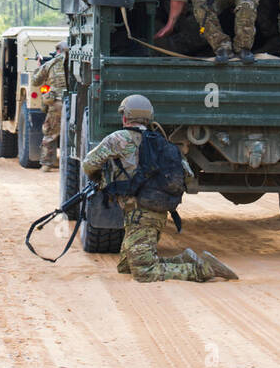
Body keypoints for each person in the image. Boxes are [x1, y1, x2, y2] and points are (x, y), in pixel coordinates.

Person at [80, 94, 238, 282]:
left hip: (140, 215)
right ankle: (183, 259)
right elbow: (187, 174)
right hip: (157, 211)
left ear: (125, 117)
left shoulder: (119, 138)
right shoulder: (162, 142)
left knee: (144, 272)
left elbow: (88, 164)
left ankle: (204, 269)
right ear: (149, 118)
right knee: (126, 266)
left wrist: (100, 179)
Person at [29, 41, 67, 171]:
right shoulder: (76, 61)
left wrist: (39, 66)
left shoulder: (52, 63)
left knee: (50, 133)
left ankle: (46, 164)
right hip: (75, 103)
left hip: (57, 103)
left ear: (58, 51)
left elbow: (35, 81)